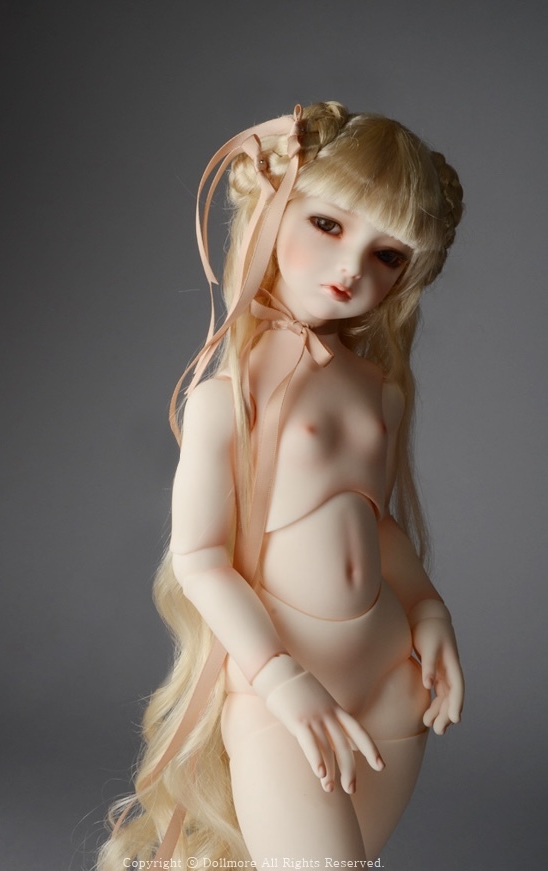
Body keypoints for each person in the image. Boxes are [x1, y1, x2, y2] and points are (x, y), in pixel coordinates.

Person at [98, 100, 465, 869]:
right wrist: (279, 676)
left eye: (387, 254)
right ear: (273, 209)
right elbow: (201, 559)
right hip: (282, 678)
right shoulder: (226, 398)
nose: (351, 269)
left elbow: (374, 522)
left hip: (391, 673)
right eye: (327, 224)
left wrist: (429, 607)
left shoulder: (381, 391)